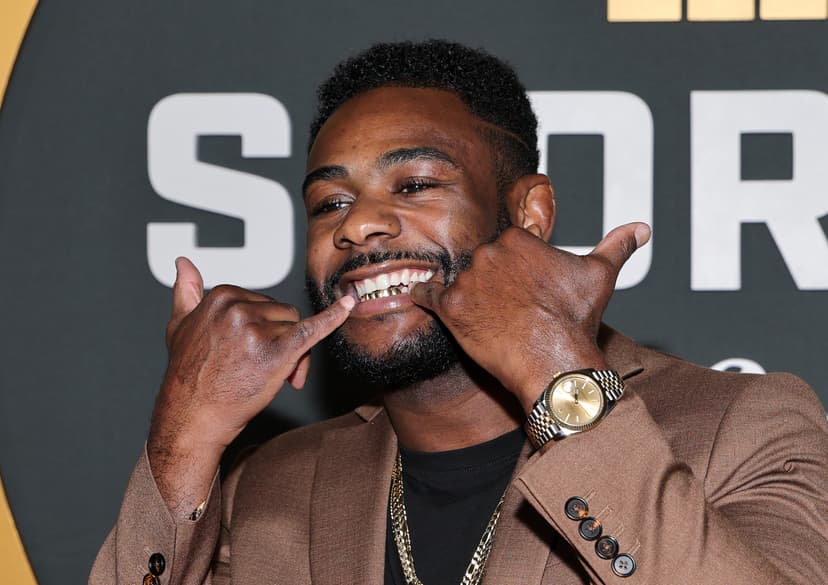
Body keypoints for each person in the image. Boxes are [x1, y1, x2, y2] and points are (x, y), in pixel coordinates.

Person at [90, 40, 828, 585]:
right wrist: (185, 437)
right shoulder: (272, 487)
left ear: (530, 214)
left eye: (413, 185)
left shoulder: (742, 428)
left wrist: (557, 373)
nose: (358, 226)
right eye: (330, 203)